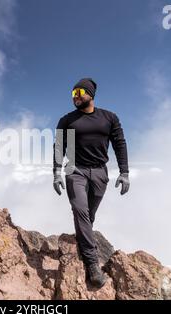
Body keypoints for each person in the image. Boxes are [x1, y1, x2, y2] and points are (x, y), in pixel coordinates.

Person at [53, 77, 130, 288]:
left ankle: (83, 239)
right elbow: (60, 147)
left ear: (90, 94)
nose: (75, 98)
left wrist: (124, 172)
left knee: (89, 215)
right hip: (74, 169)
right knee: (80, 211)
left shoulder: (109, 118)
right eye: (72, 94)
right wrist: (57, 173)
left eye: (79, 93)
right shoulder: (67, 120)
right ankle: (92, 262)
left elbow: (120, 145)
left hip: (99, 172)